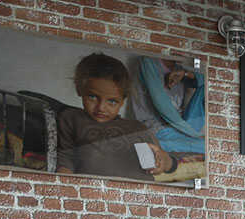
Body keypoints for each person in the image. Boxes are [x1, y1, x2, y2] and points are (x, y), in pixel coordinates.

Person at [57, 52, 175, 180]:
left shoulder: (137, 128)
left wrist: (164, 161)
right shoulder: (72, 118)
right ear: (79, 89)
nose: (101, 107)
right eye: (93, 97)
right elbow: (65, 160)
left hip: (139, 194)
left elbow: (167, 162)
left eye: (112, 101)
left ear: (123, 100)